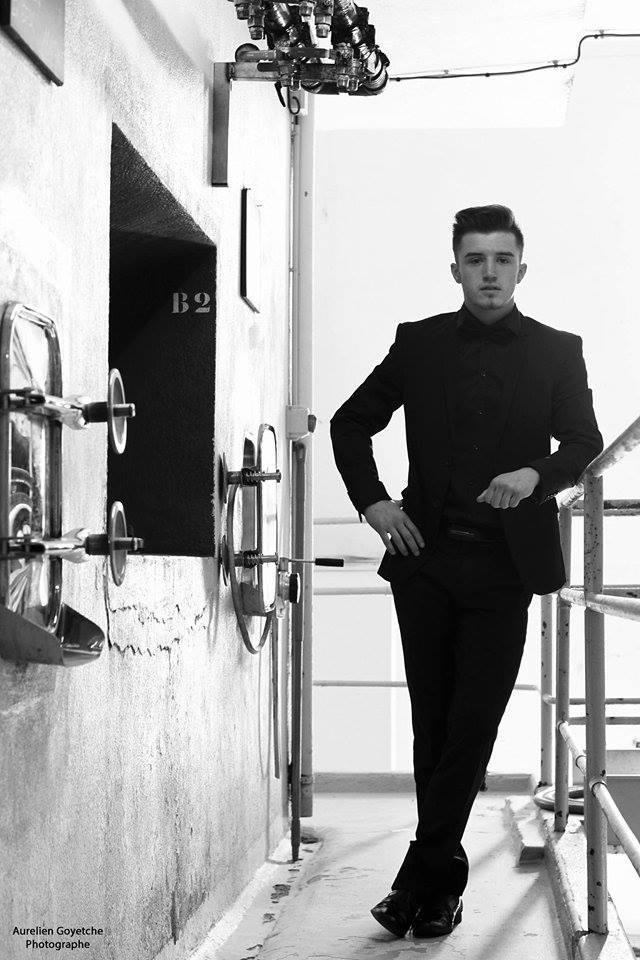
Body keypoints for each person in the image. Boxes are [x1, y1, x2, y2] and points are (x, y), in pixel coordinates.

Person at [329, 204, 603, 939]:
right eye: (475, 259)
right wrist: (374, 503)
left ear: (521, 268)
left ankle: (415, 879)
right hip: (425, 558)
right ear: (455, 269)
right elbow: (350, 422)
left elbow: (584, 442)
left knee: (473, 722)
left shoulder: (557, 350)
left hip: (505, 567)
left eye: (502, 259)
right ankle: (441, 892)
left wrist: (536, 473)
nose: (489, 272)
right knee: (434, 723)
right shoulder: (417, 343)